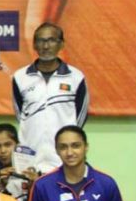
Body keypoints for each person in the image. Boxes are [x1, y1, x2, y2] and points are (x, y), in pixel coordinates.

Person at [12, 23, 89, 173]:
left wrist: (68, 143)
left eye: (51, 40)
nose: (46, 46)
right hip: (31, 158)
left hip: (64, 158)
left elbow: (79, 119)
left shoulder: (76, 77)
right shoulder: (20, 77)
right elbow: (21, 116)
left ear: (61, 44)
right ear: (34, 44)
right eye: (41, 40)